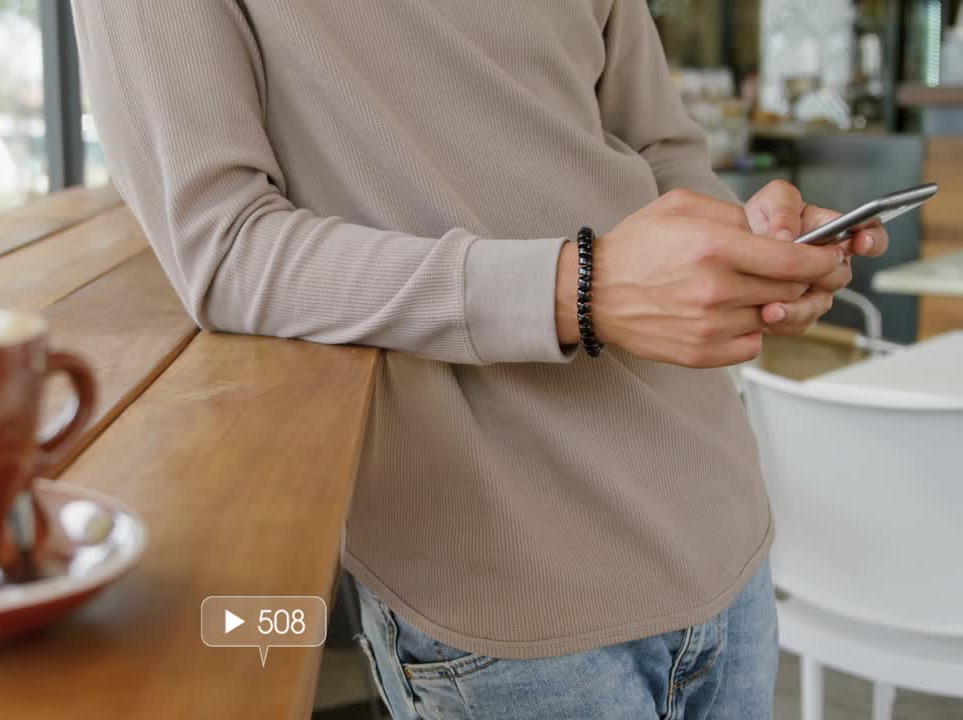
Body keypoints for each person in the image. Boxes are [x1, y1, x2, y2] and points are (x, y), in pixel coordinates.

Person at [72, 2, 888, 717]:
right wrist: (579, 287)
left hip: (721, 522)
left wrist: (752, 250)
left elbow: (662, 148)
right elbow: (226, 252)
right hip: (504, 595)